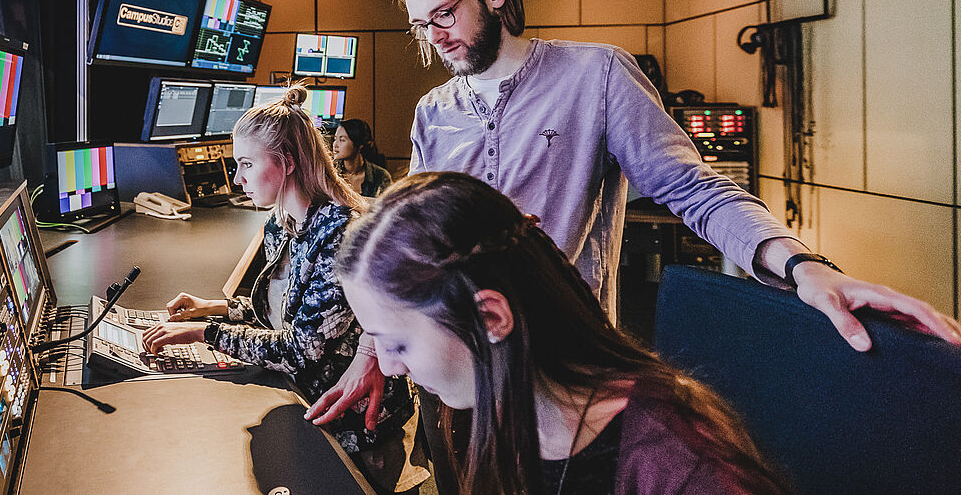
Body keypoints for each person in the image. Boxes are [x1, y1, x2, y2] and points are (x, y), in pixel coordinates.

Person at [308, 0, 961, 491]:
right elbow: (410, 260)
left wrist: (801, 268)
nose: (435, 37)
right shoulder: (434, 113)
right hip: (461, 384)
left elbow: (694, 189)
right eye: (422, 25)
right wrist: (376, 344)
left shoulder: (596, 76)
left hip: (565, 388)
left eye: (444, 14)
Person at [338, 172, 792, 495]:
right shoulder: (507, 407)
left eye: (397, 344)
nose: (392, 367)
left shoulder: (677, 461)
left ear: (491, 319)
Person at [140, 85, 429, 492]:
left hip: (361, 432)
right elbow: (287, 311)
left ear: (288, 162)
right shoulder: (282, 223)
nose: (237, 178)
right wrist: (215, 308)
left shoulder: (339, 234)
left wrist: (206, 334)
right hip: (313, 409)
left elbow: (300, 349)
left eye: (246, 164)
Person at [333, 118, 393, 197]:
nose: (335, 145)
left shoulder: (380, 176)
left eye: (342, 140)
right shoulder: (330, 173)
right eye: (335, 139)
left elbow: (387, 207)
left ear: (359, 145)